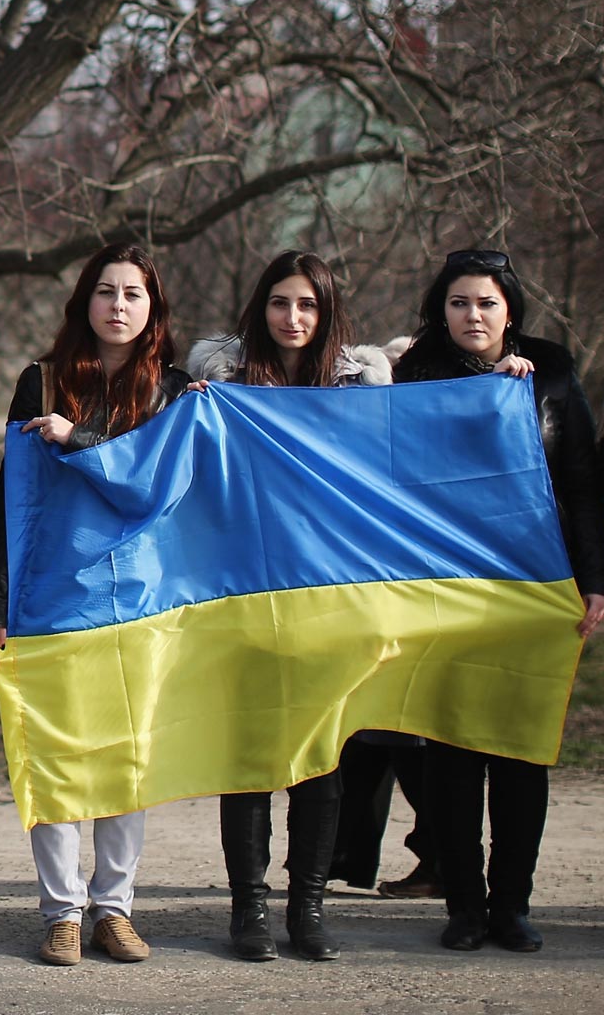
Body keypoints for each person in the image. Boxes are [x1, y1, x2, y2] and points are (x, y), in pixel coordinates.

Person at [391, 247, 604, 953]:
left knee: (522, 752)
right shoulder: (414, 374)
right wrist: (488, 397)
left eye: (485, 302)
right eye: (459, 303)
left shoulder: (549, 373)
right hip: (447, 587)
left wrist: (597, 579)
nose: (472, 314)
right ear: (441, 310)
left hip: (535, 586)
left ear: (509, 309)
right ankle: (463, 907)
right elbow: (403, 475)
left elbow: (580, 484)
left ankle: (511, 905)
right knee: (452, 753)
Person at [0, 242, 189, 967]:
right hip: (50, 597)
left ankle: (115, 909)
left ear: (153, 309)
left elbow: (158, 486)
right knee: (58, 755)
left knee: (126, 763)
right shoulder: (39, 383)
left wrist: (83, 439)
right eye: (106, 291)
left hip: (142, 600)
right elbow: (12, 501)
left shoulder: (175, 391)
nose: (119, 305)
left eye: (134, 294)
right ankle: (62, 912)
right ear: (84, 302)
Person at [185, 249, 390, 962]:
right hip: (241, 590)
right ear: (260, 308)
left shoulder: (359, 391)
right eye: (280, 303)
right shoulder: (222, 382)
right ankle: (249, 911)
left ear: (327, 311)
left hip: (330, 594)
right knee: (251, 757)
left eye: (307, 305)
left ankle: (308, 909)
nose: (293, 318)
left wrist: (511, 373)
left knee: (321, 757)